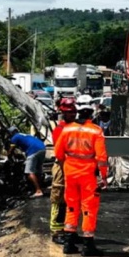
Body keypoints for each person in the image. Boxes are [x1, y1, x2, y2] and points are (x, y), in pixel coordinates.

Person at [54, 100, 108, 257]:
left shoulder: (67, 129)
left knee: (71, 207)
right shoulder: (96, 131)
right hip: (88, 175)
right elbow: (102, 157)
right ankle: (88, 245)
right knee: (88, 208)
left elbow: (58, 154)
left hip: (70, 174)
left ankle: (69, 243)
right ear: (91, 114)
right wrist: (103, 177)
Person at [49, 98, 77, 244]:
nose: (73, 115)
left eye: (73, 112)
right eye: (69, 113)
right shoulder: (60, 130)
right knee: (59, 197)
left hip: (74, 167)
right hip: (62, 166)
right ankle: (56, 231)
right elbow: (60, 154)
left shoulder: (75, 128)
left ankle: (69, 229)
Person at [8, 126, 47, 198]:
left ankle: (38, 191)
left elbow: (11, 150)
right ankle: (41, 187)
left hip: (33, 151)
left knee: (29, 172)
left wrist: (9, 156)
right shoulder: (24, 135)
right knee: (38, 171)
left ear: (11, 133)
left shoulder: (15, 137)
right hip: (42, 148)